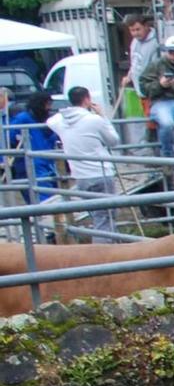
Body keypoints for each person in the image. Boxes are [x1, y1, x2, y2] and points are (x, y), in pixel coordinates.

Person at [51, 86, 123, 236]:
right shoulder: (94, 120)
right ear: (87, 99)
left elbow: (51, 120)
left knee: (96, 216)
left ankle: (108, 248)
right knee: (106, 218)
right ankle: (105, 252)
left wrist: (66, 112)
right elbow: (113, 141)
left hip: (81, 177)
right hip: (101, 173)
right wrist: (102, 115)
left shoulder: (60, 122)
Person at [6, 91, 61, 241]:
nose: (49, 108)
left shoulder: (44, 119)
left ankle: (48, 233)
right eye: (47, 104)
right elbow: (10, 138)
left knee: (49, 199)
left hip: (46, 163)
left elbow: (52, 136)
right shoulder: (23, 119)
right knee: (43, 201)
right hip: (30, 165)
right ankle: (48, 234)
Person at [120, 15, 161, 113]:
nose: (135, 33)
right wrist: (129, 76)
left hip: (152, 93)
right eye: (132, 30)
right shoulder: (134, 41)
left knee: (153, 123)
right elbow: (135, 62)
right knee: (148, 122)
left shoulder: (155, 43)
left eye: (138, 29)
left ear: (146, 26)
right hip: (140, 91)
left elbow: (157, 69)